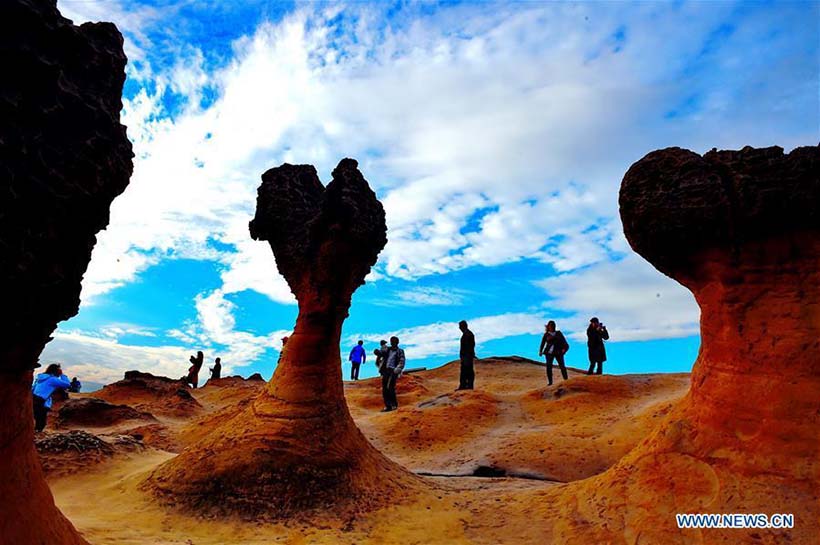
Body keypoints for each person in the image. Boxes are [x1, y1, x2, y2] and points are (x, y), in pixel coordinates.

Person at [32, 363, 71, 432]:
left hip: (33, 398)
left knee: (36, 418)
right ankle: (36, 434)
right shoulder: (52, 379)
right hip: (40, 401)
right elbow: (67, 385)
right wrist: (62, 375)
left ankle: (34, 433)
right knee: (41, 421)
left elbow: (33, 388)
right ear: (56, 371)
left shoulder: (40, 378)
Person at [539, 321, 570, 386]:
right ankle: (550, 382)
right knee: (549, 367)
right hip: (549, 353)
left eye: (553, 325)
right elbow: (543, 343)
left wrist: (565, 349)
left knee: (562, 366)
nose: (552, 326)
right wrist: (540, 351)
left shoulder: (558, 333)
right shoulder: (546, 334)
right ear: (548, 326)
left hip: (558, 352)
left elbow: (564, 342)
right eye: (550, 325)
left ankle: (566, 380)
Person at [379, 336, 406, 412]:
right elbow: (381, 353)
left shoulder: (400, 351)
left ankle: (393, 404)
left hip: (393, 370)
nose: (392, 343)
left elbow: (402, 360)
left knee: (390, 387)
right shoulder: (388, 349)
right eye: (392, 341)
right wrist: (378, 352)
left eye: (394, 341)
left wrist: (398, 368)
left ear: (397, 342)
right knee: (385, 388)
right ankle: (388, 406)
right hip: (386, 370)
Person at [457, 320, 475, 390]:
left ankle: (468, 385)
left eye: (460, 326)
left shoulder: (468, 334)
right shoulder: (467, 334)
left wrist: (467, 356)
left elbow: (470, 346)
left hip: (467, 356)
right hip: (466, 356)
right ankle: (464, 385)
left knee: (467, 370)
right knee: (465, 370)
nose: (459, 328)